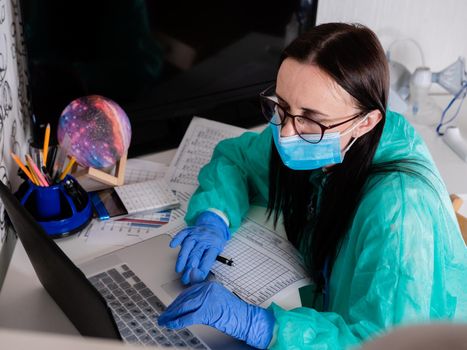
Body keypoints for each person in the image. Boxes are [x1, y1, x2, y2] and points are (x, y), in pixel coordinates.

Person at [158, 23, 467, 349]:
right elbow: (237, 159)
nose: (287, 134)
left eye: (310, 118)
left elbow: (385, 344)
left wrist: (261, 326)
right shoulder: (319, 135)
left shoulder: (400, 213)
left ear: (366, 122)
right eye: (282, 106)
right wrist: (214, 218)